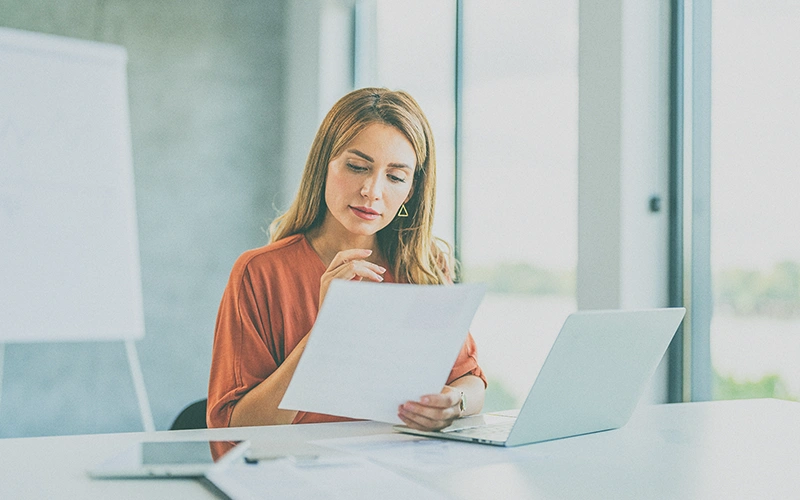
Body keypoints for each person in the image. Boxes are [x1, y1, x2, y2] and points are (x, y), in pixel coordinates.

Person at [207, 87, 486, 432]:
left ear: (411, 191)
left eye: (396, 177)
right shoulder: (260, 273)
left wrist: (453, 404)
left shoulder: (424, 265)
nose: (372, 190)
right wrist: (327, 332)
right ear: (324, 164)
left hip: (398, 467)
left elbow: (471, 382)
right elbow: (235, 429)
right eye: (356, 167)